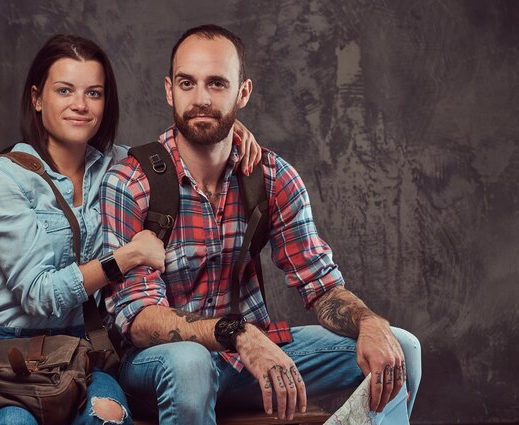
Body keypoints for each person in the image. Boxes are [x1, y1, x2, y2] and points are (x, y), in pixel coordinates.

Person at [99, 24, 422, 425]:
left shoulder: (271, 176)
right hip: (161, 367)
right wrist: (238, 333)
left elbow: (319, 285)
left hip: (248, 357)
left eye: (217, 84)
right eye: (187, 83)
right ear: (170, 90)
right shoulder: (130, 183)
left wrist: (370, 322)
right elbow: (138, 319)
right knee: (189, 364)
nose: (200, 98)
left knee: (401, 348)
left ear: (243, 92)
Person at [0, 33, 263, 425]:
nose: (80, 105)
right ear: (37, 98)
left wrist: (228, 133)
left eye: (94, 93)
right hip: (2, 351)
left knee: (109, 414)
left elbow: (179, 147)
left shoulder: (114, 166)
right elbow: (40, 294)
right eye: (65, 90)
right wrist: (127, 256)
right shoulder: (6, 177)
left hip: (78, 352)